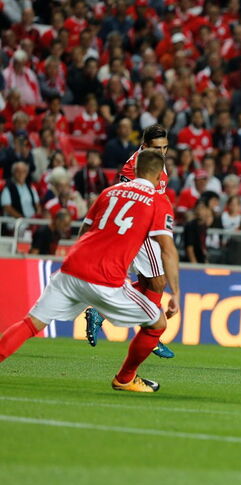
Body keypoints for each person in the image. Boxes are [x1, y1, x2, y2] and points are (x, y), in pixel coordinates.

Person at [0, 150, 180, 393]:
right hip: (106, 279)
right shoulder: (159, 202)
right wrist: (176, 293)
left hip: (71, 269)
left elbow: (84, 231)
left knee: (31, 323)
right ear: (160, 176)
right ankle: (125, 378)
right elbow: (167, 251)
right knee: (157, 323)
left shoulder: (108, 192)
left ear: (135, 171)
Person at [85, 124, 175, 359]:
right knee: (158, 282)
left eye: (165, 147)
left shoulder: (155, 159)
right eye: (158, 148)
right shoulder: (132, 167)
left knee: (150, 284)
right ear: (144, 146)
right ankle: (150, 334)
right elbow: (130, 200)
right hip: (141, 229)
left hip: (150, 226)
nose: (163, 152)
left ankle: (103, 313)